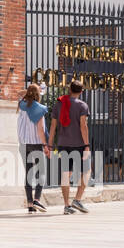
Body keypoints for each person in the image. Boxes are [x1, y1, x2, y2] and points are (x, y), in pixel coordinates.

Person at [48, 79, 91, 214]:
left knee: (66, 174)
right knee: (87, 171)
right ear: (81, 91)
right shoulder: (82, 106)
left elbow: (53, 126)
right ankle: (77, 199)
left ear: (69, 89)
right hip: (78, 144)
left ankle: (67, 206)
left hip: (62, 144)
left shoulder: (58, 105)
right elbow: (83, 126)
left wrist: (49, 144)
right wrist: (87, 144)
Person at [17, 83, 49, 212]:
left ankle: (30, 204)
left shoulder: (21, 105)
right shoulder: (39, 108)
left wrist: (32, 90)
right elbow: (41, 130)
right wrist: (45, 145)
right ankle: (37, 200)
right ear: (38, 95)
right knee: (41, 172)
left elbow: (20, 93)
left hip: (23, 144)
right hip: (35, 144)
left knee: (29, 174)